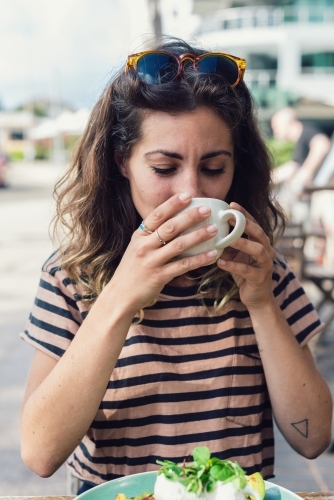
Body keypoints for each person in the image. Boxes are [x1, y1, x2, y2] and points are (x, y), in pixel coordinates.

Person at [20, 38, 332, 493]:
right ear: (121, 162)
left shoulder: (262, 270)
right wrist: (120, 298)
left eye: (213, 168)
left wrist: (263, 303)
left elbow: (313, 438)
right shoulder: (72, 275)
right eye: (164, 168)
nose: (190, 193)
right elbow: (39, 453)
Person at [270, 107, 331, 219]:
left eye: (276, 127)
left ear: (288, 123)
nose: (275, 132)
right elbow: (292, 167)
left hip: (328, 190)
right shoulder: (299, 144)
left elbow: (322, 144)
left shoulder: (307, 130)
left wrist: (306, 172)